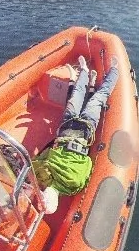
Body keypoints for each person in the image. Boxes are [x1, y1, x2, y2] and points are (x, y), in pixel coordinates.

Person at [31, 56, 119, 198]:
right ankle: (115, 71)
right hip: (84, 130)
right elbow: (89, 163)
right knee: (98, 98)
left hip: (67, 126)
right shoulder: (74, 183)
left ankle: (84, 71)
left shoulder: (41, 173)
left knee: (77, 94)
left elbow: (37, 159)